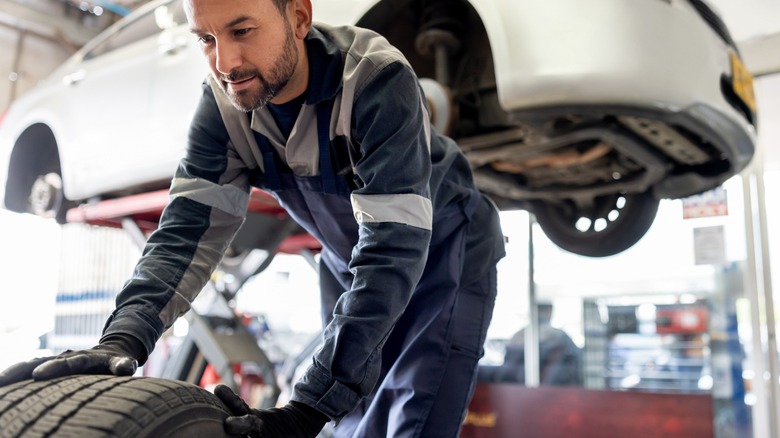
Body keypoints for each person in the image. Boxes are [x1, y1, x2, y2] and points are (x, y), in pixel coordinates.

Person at [0, 0, 505, 436]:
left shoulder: (374, 79)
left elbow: (393, 248)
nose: (226, 62)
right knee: (349, 424)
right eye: (206, 38)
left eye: (242, 30)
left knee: (412, 419)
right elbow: (184, 235)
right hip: (351, 260)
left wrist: (308, 404)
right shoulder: (223, 106)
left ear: (300, 17)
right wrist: (122, 337)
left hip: (446, 253)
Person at [478, 303, 582, 386]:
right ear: (550, 312)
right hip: (549, 390)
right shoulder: (559, 336)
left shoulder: (520, 334)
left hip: (518, 388)